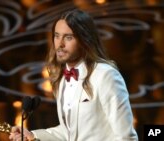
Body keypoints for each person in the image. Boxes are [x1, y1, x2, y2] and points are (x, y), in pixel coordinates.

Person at [9, 9, 138, 141]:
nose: (60, 44)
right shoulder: (62, 78)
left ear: (84, 40)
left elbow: (126, 137)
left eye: (68, 37)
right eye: (57, 36)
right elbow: (68, 133)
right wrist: (33, 135)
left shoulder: (106, 75)